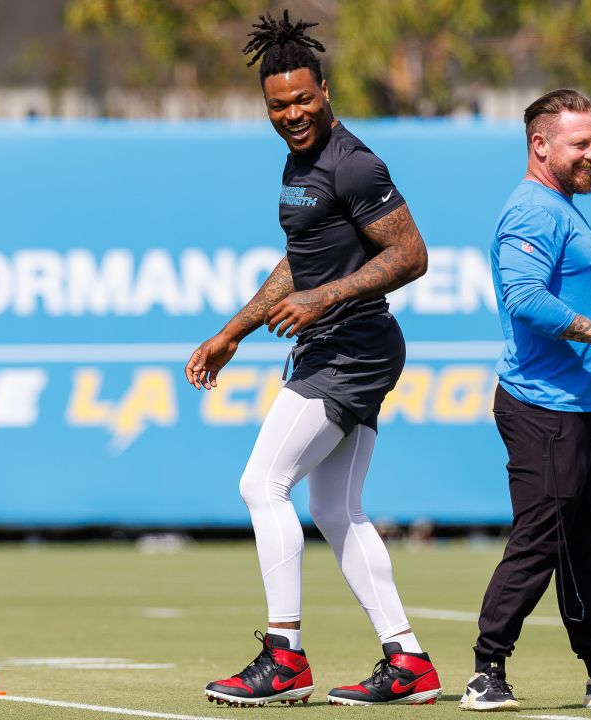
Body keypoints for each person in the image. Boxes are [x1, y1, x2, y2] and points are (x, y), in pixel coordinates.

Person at [184, 10, 440, 708]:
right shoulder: (299, 162)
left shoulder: (355, 163)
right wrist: (235, 329)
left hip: (352, 349)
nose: (292, 113)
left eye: (303, 99)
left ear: (325, 89)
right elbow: (300, 263)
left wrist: (325, 299)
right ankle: (408, 661)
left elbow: (411, 255)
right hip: (338, 346)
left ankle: (284, 656)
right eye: (278, 105)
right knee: (335, 508)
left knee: (261, 486)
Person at [459, 89, 591, 711]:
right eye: (581, 143)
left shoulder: (561, 207)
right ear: (540, 145)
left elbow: (559, 286)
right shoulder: (532, 211)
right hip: (541, 407)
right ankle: (486, 670)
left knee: (581, 546)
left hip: (574, 408)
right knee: (541, 539)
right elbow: (523, 297)